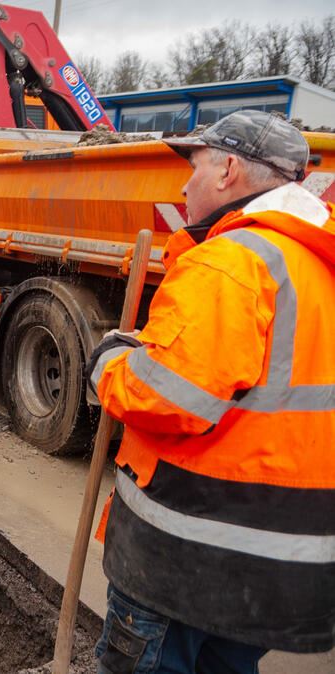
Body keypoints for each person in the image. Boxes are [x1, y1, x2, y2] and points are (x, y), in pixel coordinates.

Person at [85, 110, 335, 673]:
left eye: (193, 166)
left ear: (227, 171)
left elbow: (168, 398)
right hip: (276, 574)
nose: (184, 185)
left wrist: (110, 363)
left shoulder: (232, 262)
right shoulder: (315, 262)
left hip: (186, 563)